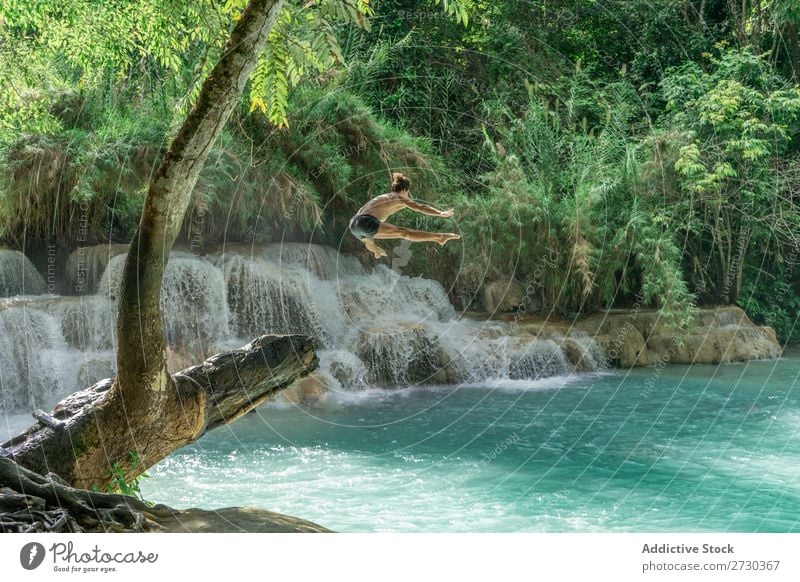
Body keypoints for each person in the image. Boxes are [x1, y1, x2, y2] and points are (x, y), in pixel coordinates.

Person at [348, 172, 460, 258]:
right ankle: (439, 237)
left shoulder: (386, 198)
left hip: (354, 226)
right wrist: (440, 213)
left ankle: (376, 252)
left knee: (369, 240)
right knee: (403, 232)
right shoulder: (399, 197)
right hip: (365, 222)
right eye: (408, 193)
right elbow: (420, 207)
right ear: (405, 190)